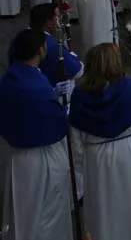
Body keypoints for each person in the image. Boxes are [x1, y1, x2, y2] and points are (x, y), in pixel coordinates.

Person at [70, 43, 131, 240]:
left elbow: (75, 142)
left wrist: (81, 171)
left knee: (104, 211)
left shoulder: (79, 97)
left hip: (97, 158)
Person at [0, 29, 75, 240]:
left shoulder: (12, 78)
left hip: (19, 157)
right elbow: (57, 120)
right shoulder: (35, 88)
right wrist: (64, 108)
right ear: (41, 50)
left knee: (24, 213)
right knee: (48, 215)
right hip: (42, 158)